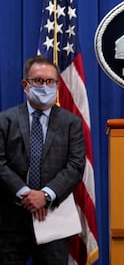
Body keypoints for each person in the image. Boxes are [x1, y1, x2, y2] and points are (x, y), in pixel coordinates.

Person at [0, 56, 86, 264]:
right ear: (25, 85)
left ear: (57, 85)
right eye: (38, 81)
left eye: (50, 82)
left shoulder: (71, 123)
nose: (44, 86)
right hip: (11, 220)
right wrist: (27, 194)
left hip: (53, 218)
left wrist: (45, 195)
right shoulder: (5, 120)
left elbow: (75, 166)